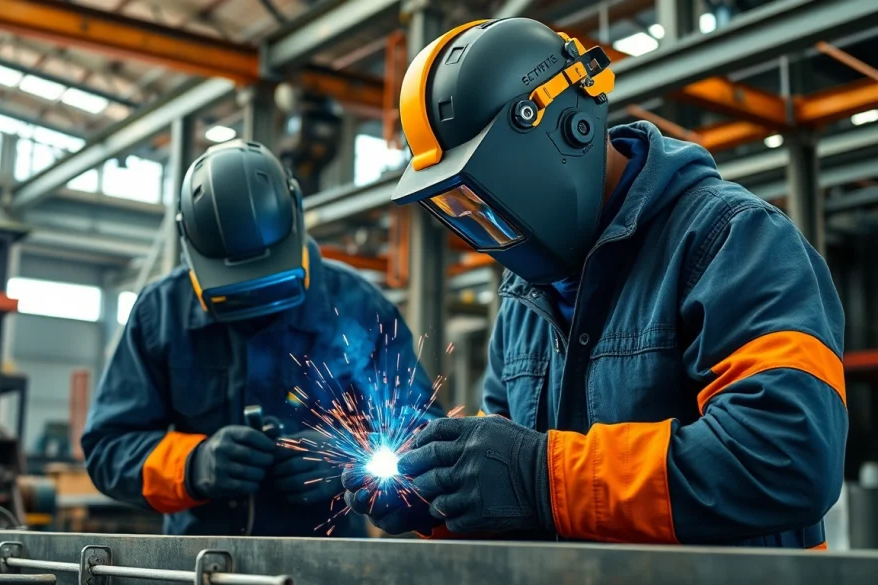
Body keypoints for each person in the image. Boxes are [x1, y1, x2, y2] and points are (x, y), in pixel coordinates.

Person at [343, 17, 847, 548]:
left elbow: (788, 455)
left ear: (569, 128)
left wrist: (543, 479)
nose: (488, 226)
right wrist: (439, 505)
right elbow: (513, 498)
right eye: (459, 207)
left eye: (484, 193)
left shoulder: (732, 240)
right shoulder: (523, 301)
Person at [83, 140, 433, 537]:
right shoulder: (161, 313)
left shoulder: (359, 306)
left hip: (328, 567)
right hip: (200, 564)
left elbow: (424, 436)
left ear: (296, 214)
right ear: (189, 243)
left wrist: (349, 462)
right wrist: (192, 465)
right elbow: (107, 450)